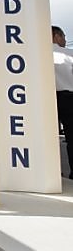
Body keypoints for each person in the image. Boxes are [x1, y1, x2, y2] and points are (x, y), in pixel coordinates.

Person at [52, 25, 73, 179]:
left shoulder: (38, 56)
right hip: (69, 98)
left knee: (49, 136)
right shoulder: (68, 54)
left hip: (47, 98)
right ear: (56, 36)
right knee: (71, 137)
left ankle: (53, 172)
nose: (65, 40)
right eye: (63, 36)